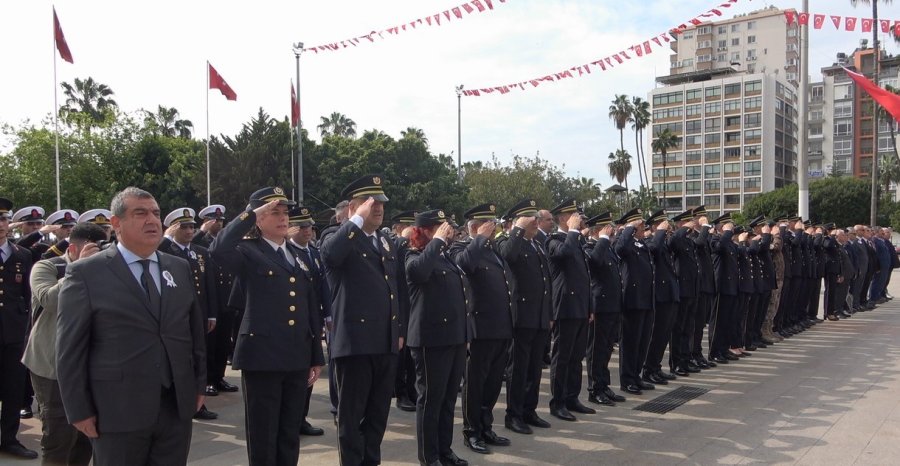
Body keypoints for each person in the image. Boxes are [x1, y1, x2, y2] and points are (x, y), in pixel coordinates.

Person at [56, 187, 207, 466]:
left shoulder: (178, 267)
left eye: (156, 213)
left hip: (175, 406)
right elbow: (70, 349)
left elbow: (193, 333)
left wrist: (198, 384)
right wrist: (78, 409)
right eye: (140, 213)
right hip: (116, 410)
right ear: (116, 223)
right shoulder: (87, 273)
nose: (152, 220)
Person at [210, 187, 325, 466]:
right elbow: (218, 248)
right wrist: (250, 214)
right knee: (263, 432)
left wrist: (315, 356)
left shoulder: (297, 255)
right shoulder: (248, 252)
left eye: (285, 212)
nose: (283, 217)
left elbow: (309, 309)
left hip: (296, 356)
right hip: (262, 356)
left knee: (289, 431)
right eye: (274, 212)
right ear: (259, 219)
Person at [320, 174, 404, 466]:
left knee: (378, 415)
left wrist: (398, 330)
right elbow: (331, 256)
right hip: (355, 345)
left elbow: (396, 290)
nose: (378, 208)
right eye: (371, 202)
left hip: (384, 342)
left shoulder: (385, 242)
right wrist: (355, 221)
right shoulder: (337, 236)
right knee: (351, 418)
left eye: (381, 202)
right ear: (353, 207)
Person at [24, 222, 106, 466]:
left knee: (86, 436)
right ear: (73, 248)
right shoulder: (47, 267)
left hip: (90, 366)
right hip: (52, 366)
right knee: (59, 436)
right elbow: (49, 300)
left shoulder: (106, 270)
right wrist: (79, 268)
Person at [405, 209, 471, 466]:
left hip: (453, 338)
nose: (449, 231)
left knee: (447, 400)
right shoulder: (413, 254)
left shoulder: (445, 257)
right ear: (426, 230)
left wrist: (464, 334)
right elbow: (419, 273)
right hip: (430, 340)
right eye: (442, 227)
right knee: (430, 401)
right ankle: (429, 457)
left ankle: (445, 450)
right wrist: (437, 242)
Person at [449, 202, 515, 453]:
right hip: (479, 327)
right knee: (475, 383)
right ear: (476, 226)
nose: (494, 228)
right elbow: (463, 265)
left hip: (501, 326)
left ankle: (486, 426)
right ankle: (471, 431)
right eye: (488, 224)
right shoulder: (463, 247)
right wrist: (479, 239)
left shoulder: (493, 250)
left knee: (494, 383)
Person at [159, 207, 219, 421]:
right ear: (172, 228)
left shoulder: (200, 252)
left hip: (200, 314)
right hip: (177, 316)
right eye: (184, 227)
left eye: (192, 226)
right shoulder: (165, 250)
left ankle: (198, 401)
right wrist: (165, 237)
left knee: (199, 356)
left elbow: (209, 284)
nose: (189, 231)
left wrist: (211, 313)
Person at [499, 199, 554, 433]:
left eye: (535, 217)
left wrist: (549, 314)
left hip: (539, 316)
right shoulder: (510, 242)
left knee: (534, 369)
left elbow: (546, 282)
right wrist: (518, 230)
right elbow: (508, 256)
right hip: (521, 317)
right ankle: (514, 415)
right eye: (529, 217)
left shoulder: (537, 245)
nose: (534, 221)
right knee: (518, 369)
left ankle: (529, 411)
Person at [546, 199, 595, 420]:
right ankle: (557, 402)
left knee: (576, 356)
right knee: (562, 357)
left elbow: (585, 277)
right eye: (573, 215)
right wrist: (574, 231)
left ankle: (572, 397)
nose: (578, 218)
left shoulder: (575, 240)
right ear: (564, 218)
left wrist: (590, 306)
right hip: (565, 306)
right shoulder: (554, 240)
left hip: (580, 306)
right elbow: (563, 254)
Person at [287, 206, 331, 437]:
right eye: (302, 226)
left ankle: (301, 417)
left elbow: (323, 286)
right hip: (296, 321)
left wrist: (328, 314)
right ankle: (293, 419)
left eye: (310, 226)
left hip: (313, 319)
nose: (308, 230)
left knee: (310, 373)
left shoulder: (314, 252)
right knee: (298, 374)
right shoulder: (288, 252)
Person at [0, 197, 38, 459]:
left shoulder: (21, 255)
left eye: (3, 219)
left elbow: (27, 296)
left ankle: (9, 439)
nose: (1, 224)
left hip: (12, 333)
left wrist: (27, 332)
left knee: (13, 389)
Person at [192, 205, 239, 397]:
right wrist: (199, 232)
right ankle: (209, 380)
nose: (218, 223)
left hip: (226, 299)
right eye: (214, 220)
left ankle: (219, 377)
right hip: (212, 298)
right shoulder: (200, 243)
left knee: (223, 343)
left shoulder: (226, 242)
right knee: (209, 344)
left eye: (220, 220)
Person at [583, 212, 627, 406]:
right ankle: (594, 389)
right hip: (599, 305)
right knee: (596, 349)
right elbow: (595, 263)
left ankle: (604, 385)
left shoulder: (607, 247)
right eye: (605, 227)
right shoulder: (590, 246)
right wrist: (601, 238)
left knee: (607, 348)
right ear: (596, 230)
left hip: (612, 305)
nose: (610, 229)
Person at [615, 208, 656, 395]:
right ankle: (627, 379)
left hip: (646, 299)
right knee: (630, 342)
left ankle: (636, 376)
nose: (642, 226)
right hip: (632, 300)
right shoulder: (624, 242)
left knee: (642, 341)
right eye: (639, 224)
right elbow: (620, 248)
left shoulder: (641, 244)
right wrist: (628, 228)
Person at [642, 210, 679, 386]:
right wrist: (660, 232)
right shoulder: (650, 241)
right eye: (663, 224)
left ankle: (655, 366)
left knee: (664, 334)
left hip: (669, 293)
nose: (667, 226)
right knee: (656, 335)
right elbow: (653, 250)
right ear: (655, 225)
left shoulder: (663, 241)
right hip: (659, 295)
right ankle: (648, 369)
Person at [389, 210, 418, 413]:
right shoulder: (394, 244)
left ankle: (411, 390)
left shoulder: (414, 246)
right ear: (398, 227)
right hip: (399, 303)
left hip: (413, 303)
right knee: (401, 354)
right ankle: (401, 393)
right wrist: (402, 239)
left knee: (411, 355)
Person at [668, 209, 701, 376]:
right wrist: (683, 229)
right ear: (681, 223)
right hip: (682, 289)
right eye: (688, 221)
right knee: (679, 328)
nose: (691, 224)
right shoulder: (677, 238)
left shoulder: (689, 241)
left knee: (688, 327)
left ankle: (686, 359)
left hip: (692, 289)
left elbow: (700, 243)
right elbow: (673, 242)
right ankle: (677, 362)